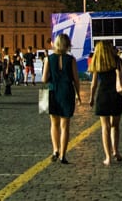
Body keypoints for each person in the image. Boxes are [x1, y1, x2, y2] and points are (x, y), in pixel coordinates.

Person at [43, 33, 81, 164]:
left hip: (52, 91)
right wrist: (79, 94)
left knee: (54, 123)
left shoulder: (48, 58)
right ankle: (63, 155)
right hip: (66, 91)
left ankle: (55, 149)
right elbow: (76, 79)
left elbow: (43, 79)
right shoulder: (71, 60)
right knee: (65, 125)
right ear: (67, 45)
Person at [89, 41, 122, 165]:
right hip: (116, 94)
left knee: (105, 127)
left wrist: (91, 98)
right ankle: (116, 151)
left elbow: (94, 84)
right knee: (115, 125)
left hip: (103, 95)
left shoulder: (97, 61)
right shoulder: (117, 60)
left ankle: (108, 157)